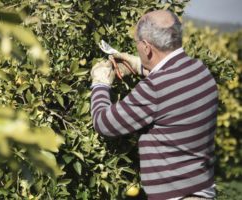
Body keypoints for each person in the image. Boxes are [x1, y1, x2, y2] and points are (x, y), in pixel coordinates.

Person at [90, 10, 218, 200]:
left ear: (147, 48)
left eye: (137, 44)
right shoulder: (199, 70)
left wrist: (100, 83)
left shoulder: (154, 88)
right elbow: (172, 80)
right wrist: (139, 65)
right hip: (203, 189)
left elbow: (104, 123)